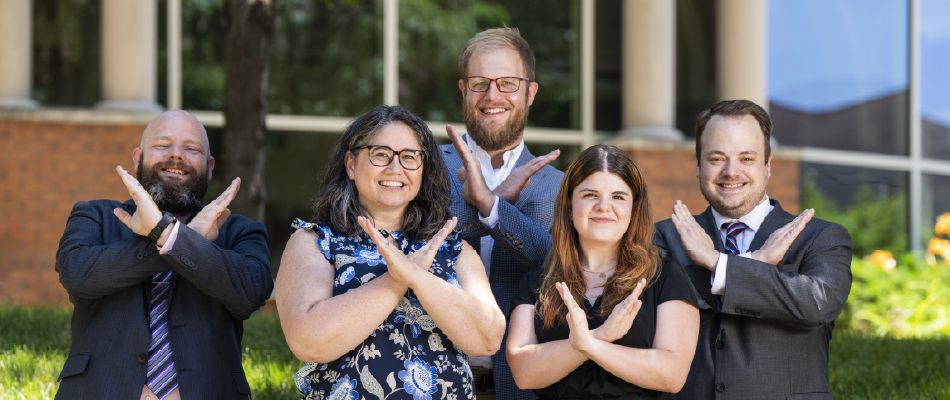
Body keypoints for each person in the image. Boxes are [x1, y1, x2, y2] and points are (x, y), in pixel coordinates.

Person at [277, 105, 506, 400]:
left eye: (409, 157)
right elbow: (307, 341)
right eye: (380, 154)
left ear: (423, 169)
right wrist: (397, 280)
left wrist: (419, 279)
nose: (395, 168)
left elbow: (487, 339)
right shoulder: (315, 240)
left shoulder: (450, 245)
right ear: (350, 163)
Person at [54, 110, 273, 400]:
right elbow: (76, 273)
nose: (176, 155)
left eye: (191, 148)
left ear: (209, 167)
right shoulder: (96, 215)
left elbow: (252, 292)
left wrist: (171, 237)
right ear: (138, 158)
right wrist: (180, 238)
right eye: (162, 145)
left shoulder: (240, 231)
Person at [654, 100, 853, 399]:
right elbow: (651, 315)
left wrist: (716, 263)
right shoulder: (664, 236)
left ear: (767, 165)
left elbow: (816, 304)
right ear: (698, 166)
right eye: (717, 158)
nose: (731, 172)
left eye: (746, 158)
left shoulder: (820, 236)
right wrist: (755, 262)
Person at [506, 144, 701, 399]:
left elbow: (672, 375)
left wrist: (587, 344)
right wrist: (600, 336)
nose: (603, 206)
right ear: (568, 206)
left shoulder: (665, 276)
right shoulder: (537, 282)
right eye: (589, 194)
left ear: (634, 209)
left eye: (618, 197)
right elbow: (523, 372)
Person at [443, 27, 564, 400]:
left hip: (517, 388)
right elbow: (412, 250)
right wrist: (492, 199)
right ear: (464, 91)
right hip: (432, 381)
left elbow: (556, 267)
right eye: (480, 83)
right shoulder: (422, 168)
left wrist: (493, 207)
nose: (492, 95)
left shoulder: (560, 186)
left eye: (508, 83)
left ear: (530, 92)